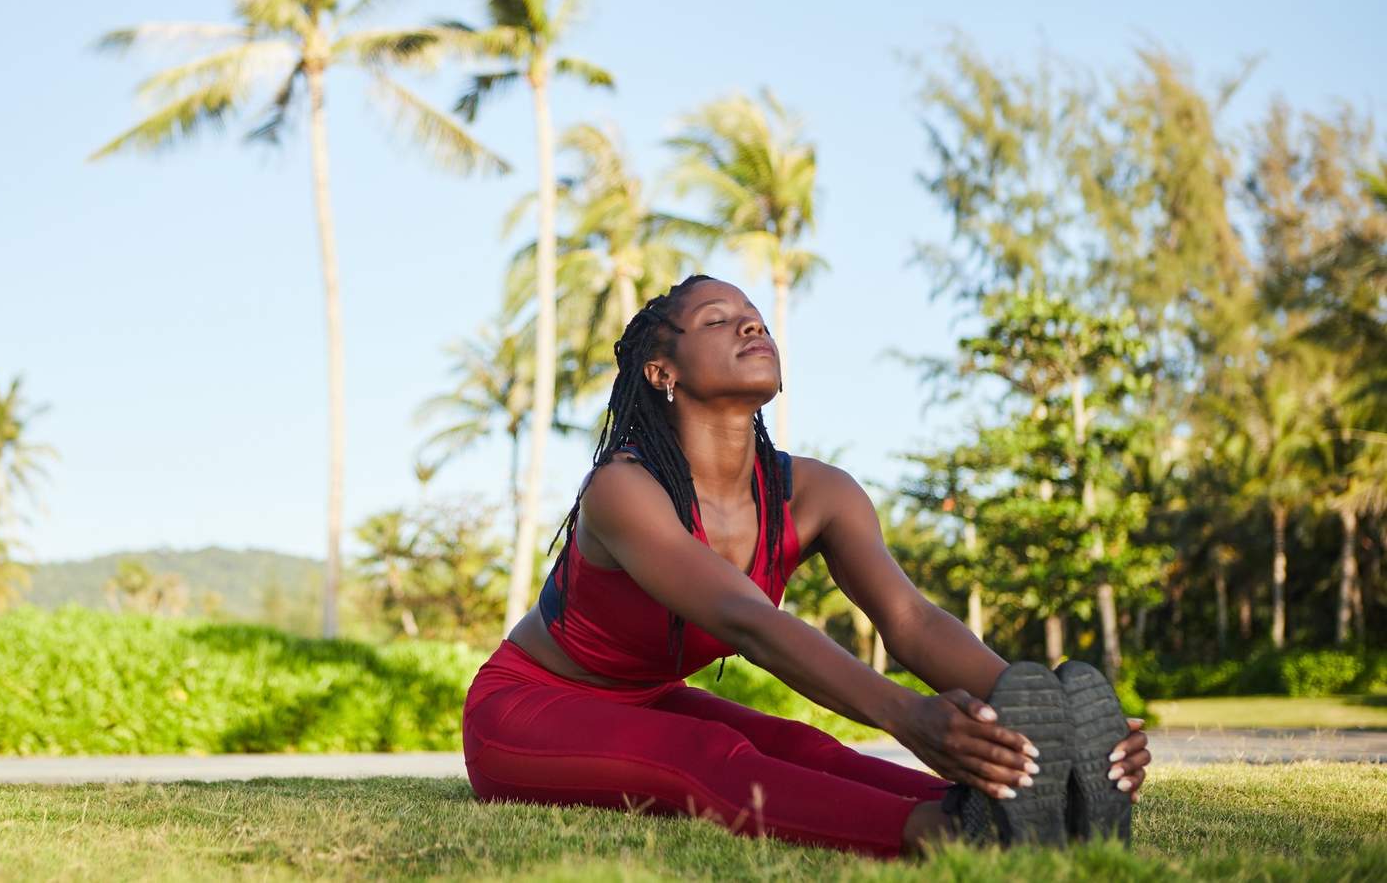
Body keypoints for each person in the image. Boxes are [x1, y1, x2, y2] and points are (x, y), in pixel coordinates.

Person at [461, 274, 1150, 859]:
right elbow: (745, 620)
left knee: (804, 748)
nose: (751, 326)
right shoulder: (624, 489)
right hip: (527, 708)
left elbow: (908, 620)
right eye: (718, 319)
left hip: (645, 696)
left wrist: (1039, 714)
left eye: (755, 318)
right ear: (660, 371)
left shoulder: (821, 494)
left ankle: (1021, 796)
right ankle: (944, 833)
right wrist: (906, 716)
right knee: (699, 758)